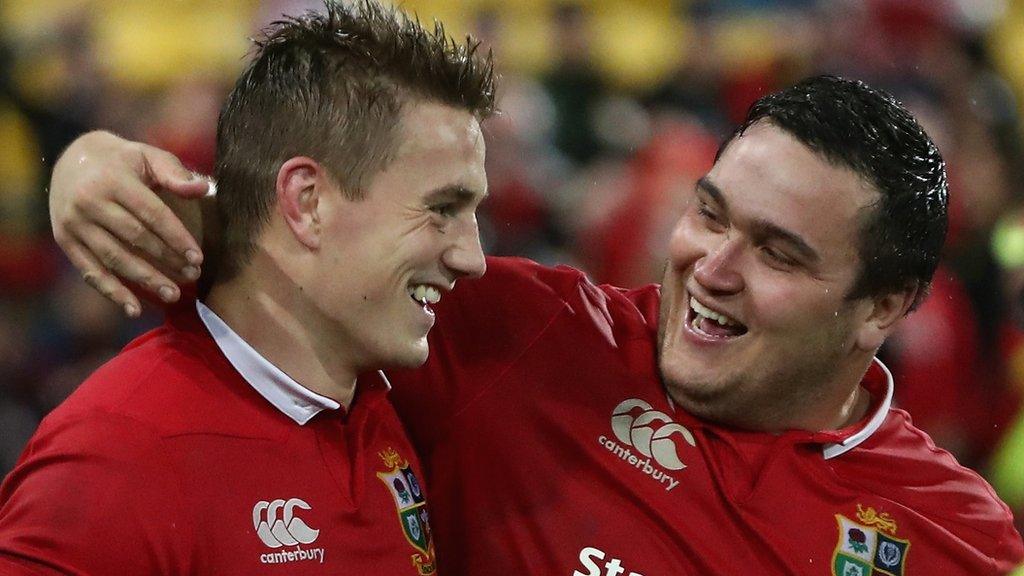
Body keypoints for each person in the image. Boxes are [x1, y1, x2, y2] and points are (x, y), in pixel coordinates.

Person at [45, 74, 1024, 573]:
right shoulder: (527, 340)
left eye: (778, 254)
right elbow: (303, 248)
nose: (710, 269)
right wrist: (98, 167)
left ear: (884, 308)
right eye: (710, 214)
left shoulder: (953, 537)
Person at [0, 1, 495, 574]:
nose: (474, 258)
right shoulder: (117, 459)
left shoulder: (398, 401)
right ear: (307, 202)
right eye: (442, 208)